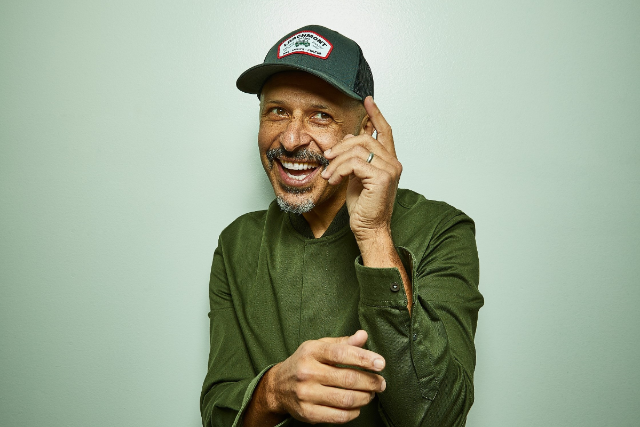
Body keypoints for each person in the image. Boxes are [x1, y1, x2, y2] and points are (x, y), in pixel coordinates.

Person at [200, 25, 483, 427]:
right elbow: (218, 413)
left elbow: (439, 417)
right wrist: (275, 390)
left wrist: (374, 233)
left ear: (365, 132)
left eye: (321, 115)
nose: (292, 139)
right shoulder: (237, 243)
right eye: (277, 111)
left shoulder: (441, 230)